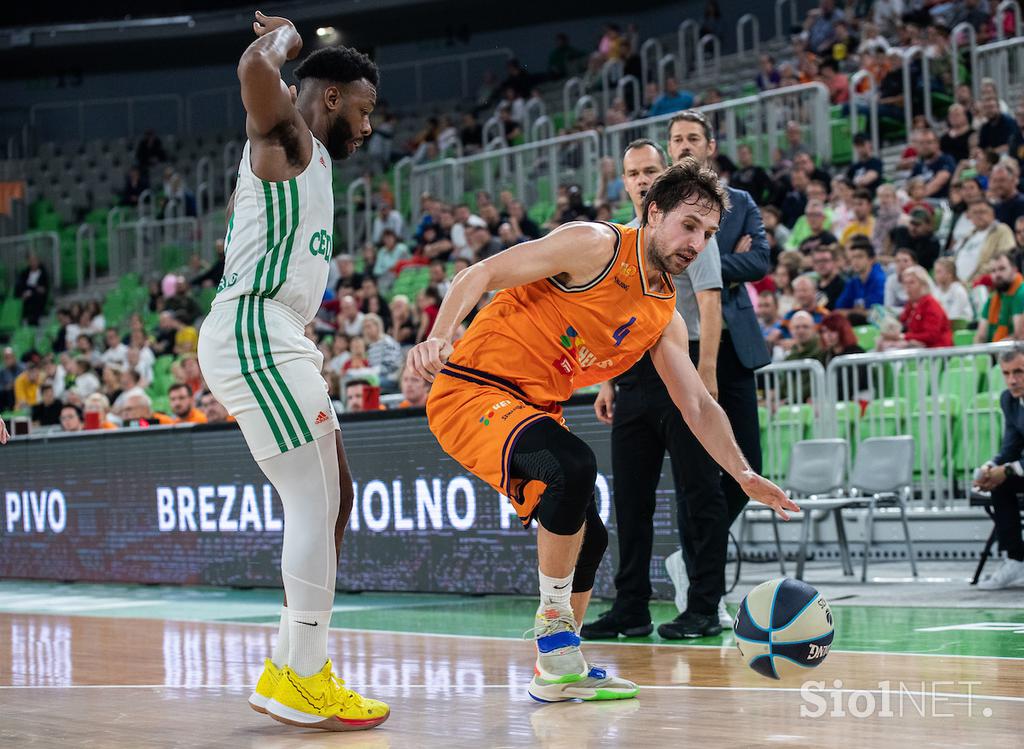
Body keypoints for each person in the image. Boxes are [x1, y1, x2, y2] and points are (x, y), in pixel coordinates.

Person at [407, 159, 795, 702]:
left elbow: (699, 406)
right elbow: (481, 274)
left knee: (592, 536)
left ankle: (559, 670)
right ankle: (552, 628)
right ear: (653, 212)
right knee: (574, 467)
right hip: (472, 390)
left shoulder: (664, 314)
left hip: (536, 409)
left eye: (708, 234)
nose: (697, 243)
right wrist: (438, 336)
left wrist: (744, 473)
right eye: (688, 226)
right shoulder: (594, 244)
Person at [195, 12, 388, 731]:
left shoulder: (315, 161)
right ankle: (301, 675)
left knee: (335, 496)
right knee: (314, 500)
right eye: (365, 108)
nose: (370, 126)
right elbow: (254, 70)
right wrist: (291, 40)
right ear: (331, 97)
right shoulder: (292, 139)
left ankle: (291, 663)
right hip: (256, 327)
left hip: (276, 333)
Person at [580, 135, 726, 641]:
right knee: (631, 498)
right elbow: (602, 313)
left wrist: (706, 373)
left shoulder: (690, 230)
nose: (641, 179)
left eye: (649, 171)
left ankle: (705, 604)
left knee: (698, 491)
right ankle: (632, 606)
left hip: (681, 368)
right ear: (624, 183)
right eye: (633, 173)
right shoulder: (618, 240)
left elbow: (709, 303)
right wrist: (605, 380)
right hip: (631, 374)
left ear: (664, 177)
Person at [972, 346, 1024, 589]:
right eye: (1006, 373)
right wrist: (990, 467)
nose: (1012, 380)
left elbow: (1013, 463)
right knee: (999, 484)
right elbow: (1011, 447)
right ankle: (1015, 559)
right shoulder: (1009, 400)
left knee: (1006, 475)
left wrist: (1009, 469)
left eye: (1019, 372)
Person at [879, 265, 952, 349]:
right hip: (918, 346)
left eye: (912, 283)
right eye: (905, 283)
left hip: (935, 349)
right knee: (882, 342)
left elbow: (931, 336)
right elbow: (902, 322)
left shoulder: (931, 304)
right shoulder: (911, 304)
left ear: (923, 284)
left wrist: (902, 337)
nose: (907, 287)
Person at [975, 251, 1024, 343]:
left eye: (1002, 269)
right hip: (995, 351)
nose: (997, 274)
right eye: (993, 271)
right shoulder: (993, 297)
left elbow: (1020, 335)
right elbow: (981, 335)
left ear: (1014, 269)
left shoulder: (1021, 293)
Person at [834, 237, 886, 323]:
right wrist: (857, 312)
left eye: (860, 257)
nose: (855, 261)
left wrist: (852, 312)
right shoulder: (853, 282)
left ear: (871, 259)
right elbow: (839, 310)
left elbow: (876, 313)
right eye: (853, 257)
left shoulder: (880, 280)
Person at [933, 257, 973, 324]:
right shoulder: (936, 291)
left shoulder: (958, 291)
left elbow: (953, 317)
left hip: (960, 327)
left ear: (949, 274)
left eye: (939, 272)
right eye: (935, 272)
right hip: (944, 325)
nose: (935, 275)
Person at [15, 254, 49, 326]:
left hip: (37, 296)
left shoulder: (43, 273)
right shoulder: (24, 273)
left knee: (35, 297)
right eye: (31, 261)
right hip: (26, 295)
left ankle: (33, 321)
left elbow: (43, 288)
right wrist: (24, 293)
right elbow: (21, 285)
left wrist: (32, 290)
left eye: (34, 260)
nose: (33, 263)